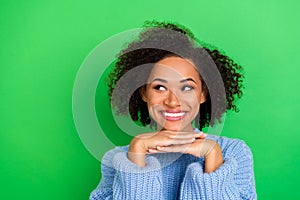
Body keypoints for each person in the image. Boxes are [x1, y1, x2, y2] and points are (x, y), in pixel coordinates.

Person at [90, 21, 256, 200]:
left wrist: (212, 156)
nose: (172, 101)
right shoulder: (118, 158)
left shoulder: (233, 152)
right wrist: (137, 153)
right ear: (144, 93)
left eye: (186, 88)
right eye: (160, 87)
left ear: (203, 94)